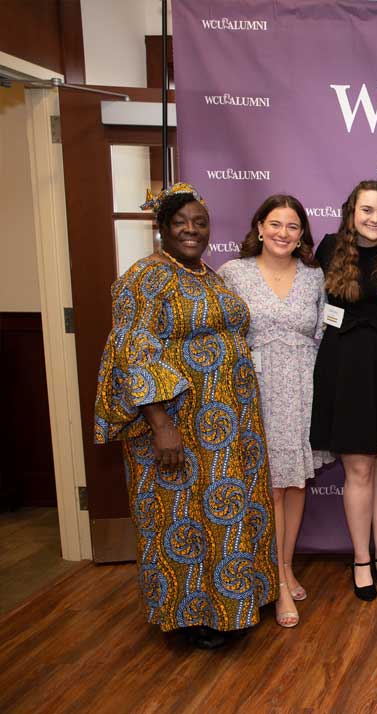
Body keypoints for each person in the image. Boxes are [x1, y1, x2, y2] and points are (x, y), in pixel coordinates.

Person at [93, 183, 278, 649]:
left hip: (226, 420)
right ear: (162, 230)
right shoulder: (146, 278)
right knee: (185, 516)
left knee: (226, 508)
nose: (192, 230)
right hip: (181, 421)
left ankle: (237, 599)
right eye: (181, 224)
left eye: (200, 223)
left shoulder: (205, 273)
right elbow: (132, 353)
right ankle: (198, 613)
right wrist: (161, 425)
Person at [218, 195, 324, 627]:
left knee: (296, 484)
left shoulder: (314, 277)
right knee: (273, 488)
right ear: (259, 226)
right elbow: (222, 338)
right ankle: (277, 580)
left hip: (304, 387)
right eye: (275, 224)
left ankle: (285, 564)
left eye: (293, 226)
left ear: (302, 234)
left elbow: (321, 331)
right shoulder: (233, 274)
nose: (283, 233)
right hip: (256, 390)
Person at [309, 180, 377, 601]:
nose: (375, 219)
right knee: (358, 469)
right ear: (352, 210)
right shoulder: (330, 246)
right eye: (368, 210)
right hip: (344, 364)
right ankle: (360, 559)